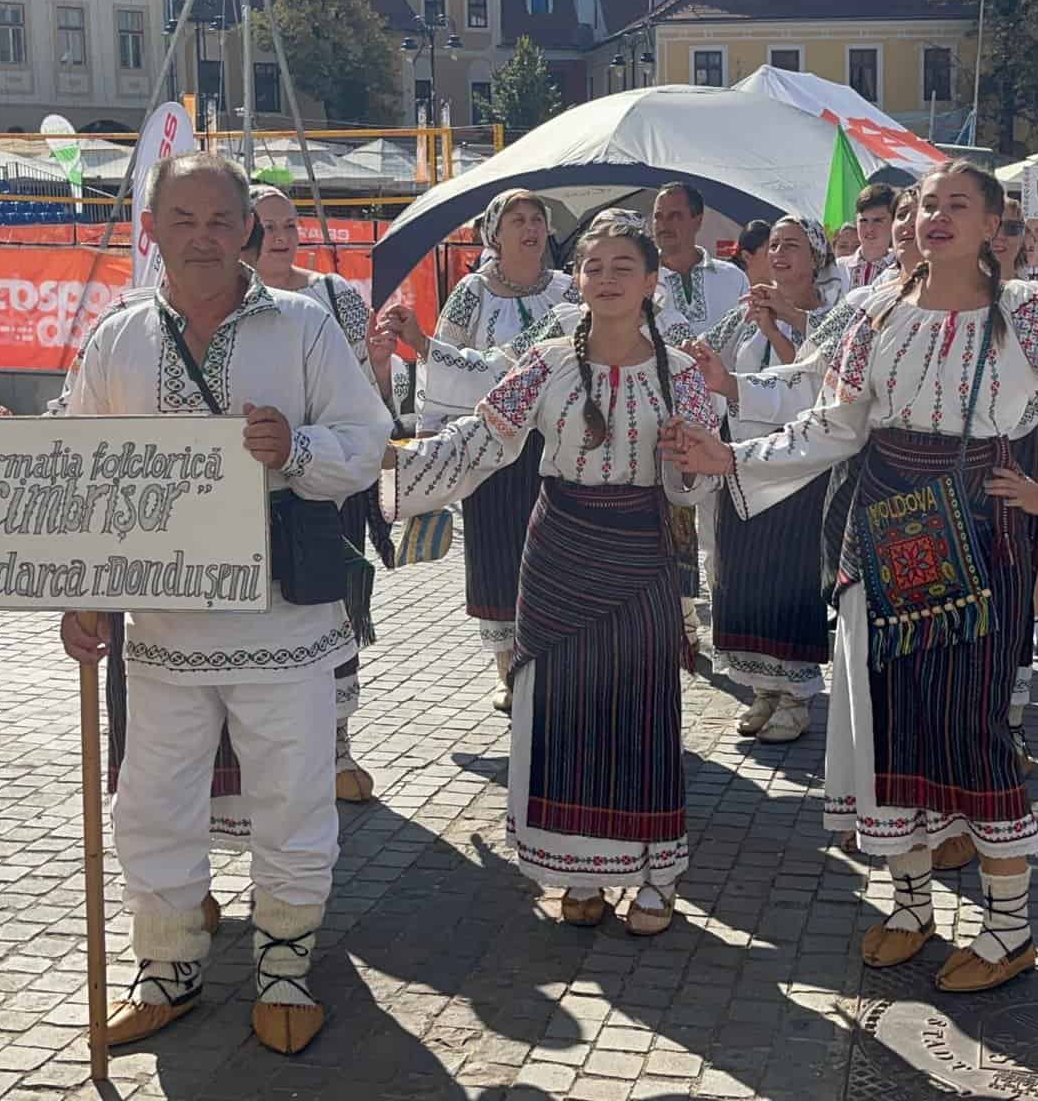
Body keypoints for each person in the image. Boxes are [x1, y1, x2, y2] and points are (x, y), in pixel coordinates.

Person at [666, 160, 1038, 994]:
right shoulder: (876, 311)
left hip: (979, 528)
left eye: (957, 204)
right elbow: (836, 425)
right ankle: (910, 905)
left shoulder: (1027, 314)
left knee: (970, 724)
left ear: (995, 221)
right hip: (883, 527)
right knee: (885, 721)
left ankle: (1009, 928)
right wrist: (733, 455)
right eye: (927, 204)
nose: (936, 216)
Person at [56, 152, 389, 1054]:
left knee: (292, 794)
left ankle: (284, 965)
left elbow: (366, 441)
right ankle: (168, 965)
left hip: (282, 616)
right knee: (151, 800)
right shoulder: (119, 337)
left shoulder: (304, 328)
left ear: (246, 228)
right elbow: (81, 467)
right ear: (154, 228)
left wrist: (296, 446)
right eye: (182, 220)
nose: (202, 238)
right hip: (161, 626)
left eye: (219, 220)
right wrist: (82, 594)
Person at [385, 211, 719, 933]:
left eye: (622, 267)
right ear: (579, 279)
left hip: (638, 547)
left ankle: (655, 872)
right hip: (560, 543)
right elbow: (485, 437)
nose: (605, 279)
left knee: (642, 709)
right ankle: (577, 871)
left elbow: (696, 486)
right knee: (560, 710)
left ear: (652, 282)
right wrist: (392, 477)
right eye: (593, 267)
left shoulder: (684, 375)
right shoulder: (545, 361)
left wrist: (684, 461)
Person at [380, 190, 578, 712]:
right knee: (496, 554)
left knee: (554, 554)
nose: (531, 227)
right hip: (490, 442)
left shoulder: (569, 290)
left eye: (538, 219)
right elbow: (440, 367)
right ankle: (507, 669)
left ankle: (550, 660)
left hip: (552, 443)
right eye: (519, 219)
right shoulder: (471, 292)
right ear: (495, 234)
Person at [245, 186, 388, 801]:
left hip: (325, 491)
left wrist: (382, 370)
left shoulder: (332, 296)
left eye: (289, 224)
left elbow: (361, 400)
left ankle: (337, 749)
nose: (280, 236)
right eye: (267, 226)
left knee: (332, 609)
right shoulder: (216, 305)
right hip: (244, 496)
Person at [699, 216, 836, 744]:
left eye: (793, 246)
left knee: (787, 573)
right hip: (738, 456)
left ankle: (796, 695)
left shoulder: (831, 316)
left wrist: (784, 325)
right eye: (774, 245)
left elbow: (814, 378)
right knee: (743, 570)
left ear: (817, 257)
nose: (779, 253)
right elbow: (712, 362)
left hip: (797, 462)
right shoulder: (745, 311)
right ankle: (761, 686)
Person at [652, 182, 750, 333]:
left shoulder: (733, 277)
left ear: (697, 221)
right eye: (658, 217)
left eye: (675, 216)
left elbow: (749, 336)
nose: (664, 224)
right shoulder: (641, 280)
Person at [844, 183, 899, 289]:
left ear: (893, 222)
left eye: (878, 220)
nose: (869, 228)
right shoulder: (837, 269)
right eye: (863, 220)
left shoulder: (902, 269)